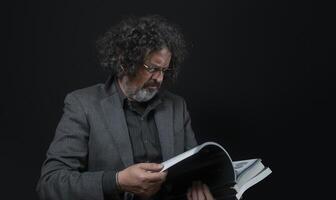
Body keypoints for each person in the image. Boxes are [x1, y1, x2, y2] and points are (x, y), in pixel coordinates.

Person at [36, 15, 214, 200]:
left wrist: (201, 190)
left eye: (164, 70)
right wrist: (117, 181)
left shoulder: (177, 107)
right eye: (152, 68)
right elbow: (51, 183)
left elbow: (194, 171)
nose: (159, 79)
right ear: (124, 61)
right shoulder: (83, 105)